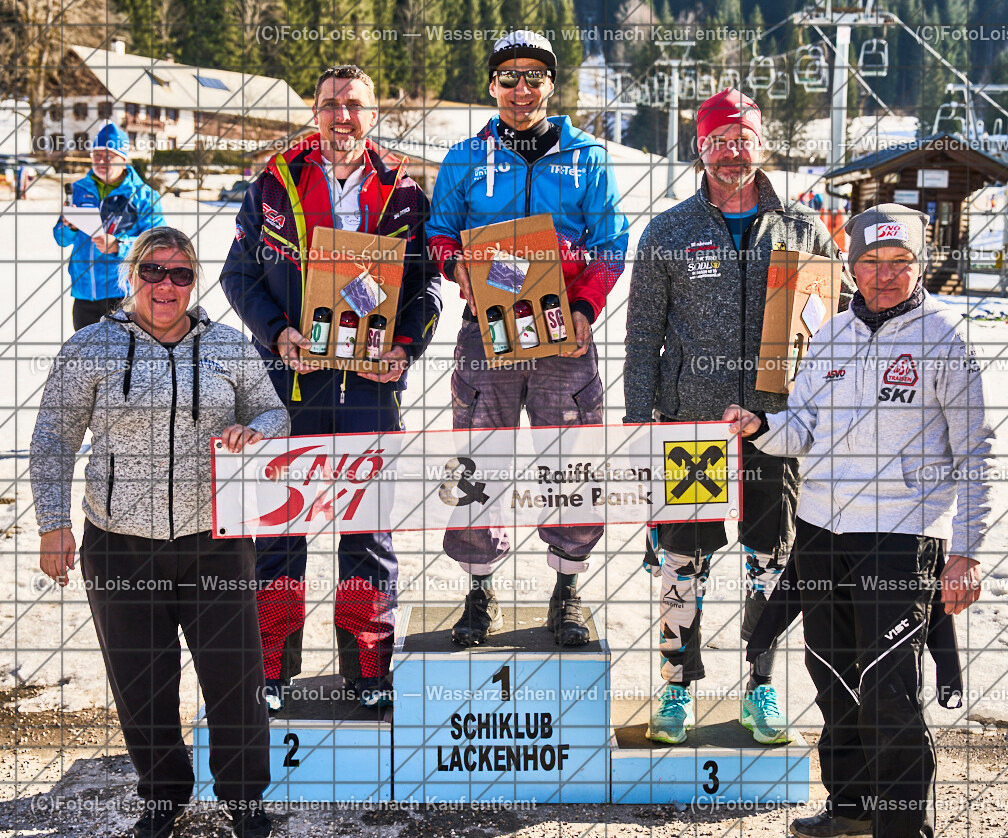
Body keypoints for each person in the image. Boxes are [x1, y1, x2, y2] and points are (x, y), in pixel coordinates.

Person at [725, 203, 997, 838]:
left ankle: (902, 826)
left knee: (889, 689)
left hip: (902, 536)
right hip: (820, 532)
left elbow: (977, 452)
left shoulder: (946, 336)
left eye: (900, 262)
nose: (885, 275)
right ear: (851, 266)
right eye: (871, 262)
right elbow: (804, 429)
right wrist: (761, 427)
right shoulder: (830, 334)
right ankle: (850, 808)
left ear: (921, 265)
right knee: (832, 678)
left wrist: (966, 552)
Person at [31, 227, 289, 838]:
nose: (165, 285)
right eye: (152, 271)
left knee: (235, 679)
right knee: (142, 683)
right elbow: (53, 438)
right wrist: (52, 523)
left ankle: (244, 800)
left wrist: (258, 431)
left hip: (216, 542)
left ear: (193, 282)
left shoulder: (228, 346)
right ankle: (163, 796)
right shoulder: (90, 347)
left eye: (179, 274)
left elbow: (274, 410)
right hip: (118, 543)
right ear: (132, 276)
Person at [624, 88, 851, 746]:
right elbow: (642, 339)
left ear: (762, 145)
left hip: (774, 426)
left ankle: (760, 683)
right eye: (719, 140)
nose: (732, 152)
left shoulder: (804, 230)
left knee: (770, 562)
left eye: (743, 139)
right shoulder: (668, 231)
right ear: (700, 147)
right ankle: (676, 686)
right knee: (681, 562)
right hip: (690, 429)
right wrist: (639, 424)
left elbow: (833, 332)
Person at [220, 64, 442, 711]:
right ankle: (270, 673)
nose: (342, 116)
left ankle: (368, 673)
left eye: (354, 105)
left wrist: (404, 348)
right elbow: (238, 275)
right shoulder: (275, 181)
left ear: (373, 115)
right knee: (278, 536)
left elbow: (426, 286)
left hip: (371, 391)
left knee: (368, 535)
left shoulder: (403, 191)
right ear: (315, 112)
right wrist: (277, 334)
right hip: (289, 389)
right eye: (330, 104)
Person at [425, 30, 629, 648]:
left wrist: (587, 307)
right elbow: (438, 233)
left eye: (533, 77)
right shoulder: (465, 158)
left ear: (550, 85)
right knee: (477, 460)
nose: (521, 89)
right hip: (485, 335)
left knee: (571, 462)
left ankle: (567, 589)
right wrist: (456, 266)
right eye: (509, 77)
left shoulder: (587, 157)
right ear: (492, 85)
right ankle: (478, 588)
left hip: (563, 335)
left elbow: (609, 243)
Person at [53, 123, 165, 330]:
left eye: (109, 156)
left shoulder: (145, 196)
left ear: (123, 159)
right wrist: (69, 227)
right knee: (86, 350)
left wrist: (119, 246)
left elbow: (157, 246)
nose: (101, 161)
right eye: (97, 155)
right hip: (84, 293)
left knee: (124, 351)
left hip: (123, 294)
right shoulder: (78, 190)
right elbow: (61, 239)